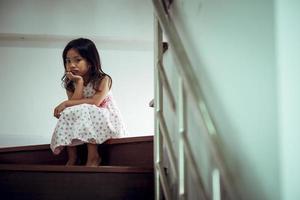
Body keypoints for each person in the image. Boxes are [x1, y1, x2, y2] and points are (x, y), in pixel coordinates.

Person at [50, 38, 126, 167]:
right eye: (68, 61)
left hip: (105, 118)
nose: (71, 65)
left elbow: (95, 102)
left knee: (86, 108)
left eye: (77, 60)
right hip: (88, 118)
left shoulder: (103, 79)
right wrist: (79, 82)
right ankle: (73, 158)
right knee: (71, 111)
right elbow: (74, 105)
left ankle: (93, 156)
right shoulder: (71, 83)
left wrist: (66, 103)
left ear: (90, 62)